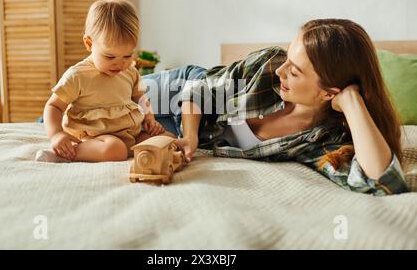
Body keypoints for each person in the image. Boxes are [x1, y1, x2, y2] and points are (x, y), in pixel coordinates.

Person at [143, 19, 409, 195]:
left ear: (329, 93)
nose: (281, 70)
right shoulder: (269, 65)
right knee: (105, 93)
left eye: (294, 72)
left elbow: (384, 184)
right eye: (288, 57)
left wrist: (352, 103)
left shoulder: (324, 141)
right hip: (178, 91)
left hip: (168, 135)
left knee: (109, 134)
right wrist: (189, 137)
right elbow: (198, 91)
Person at [36, 0, 173, 163]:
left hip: (131, 134)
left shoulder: (130, 71)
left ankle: (140, 151)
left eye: (127, 55)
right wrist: (56, 134)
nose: (120, 63)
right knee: (114, 149)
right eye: (110, 56)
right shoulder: (78, 76)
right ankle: (65, 153)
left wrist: (150, 119)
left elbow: (141, 98)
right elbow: (53, 106)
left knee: (168, 139)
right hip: (95, 138)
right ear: (89, 44)